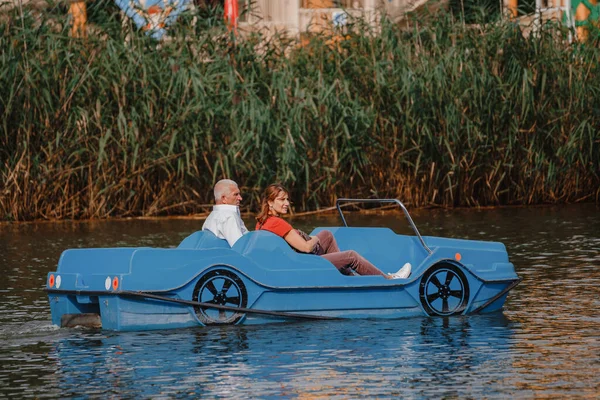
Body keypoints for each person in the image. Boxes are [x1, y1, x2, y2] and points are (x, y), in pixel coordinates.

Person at [255, 184, 411, 279]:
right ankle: (388, 279)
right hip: (303, 265)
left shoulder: (261, 222)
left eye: (287, 199)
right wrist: (313, 238)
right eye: (282, 200)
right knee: (351, 255)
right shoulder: (278, 224)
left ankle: (346, 277)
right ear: (269, 202)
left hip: (292, 261)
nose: (287, 203)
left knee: (327, 234)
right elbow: (307, 248)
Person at [202, 179, 249, 247]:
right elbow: (239, 246)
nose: (240, 198)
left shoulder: (211, 216)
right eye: (235, 194)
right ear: (224, 198)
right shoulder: (229, 216)